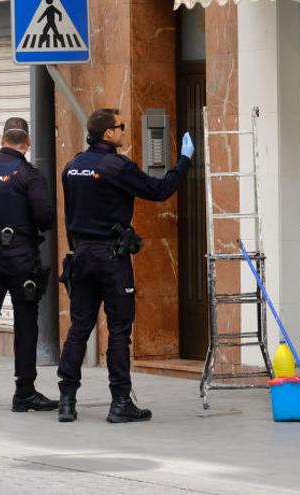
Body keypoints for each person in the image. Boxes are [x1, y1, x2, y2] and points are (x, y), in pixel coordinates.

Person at [57, 108, 195, 423]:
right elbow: (159, 191)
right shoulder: (115, 166)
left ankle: (67, 401)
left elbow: (70, 214)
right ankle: (120, 402)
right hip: (110, 259)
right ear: (108, 133)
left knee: (79, 328)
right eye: (121, 126)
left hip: (81, 257)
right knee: (119, 331)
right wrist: (185, 161)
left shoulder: (71, 166)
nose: (123, 131)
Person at [0, 117, 58, 416]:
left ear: (2, 139)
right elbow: (45, 219)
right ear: (27, 142)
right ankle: (25, 392)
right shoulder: (28, 174)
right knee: (26, 321)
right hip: (20, 257)